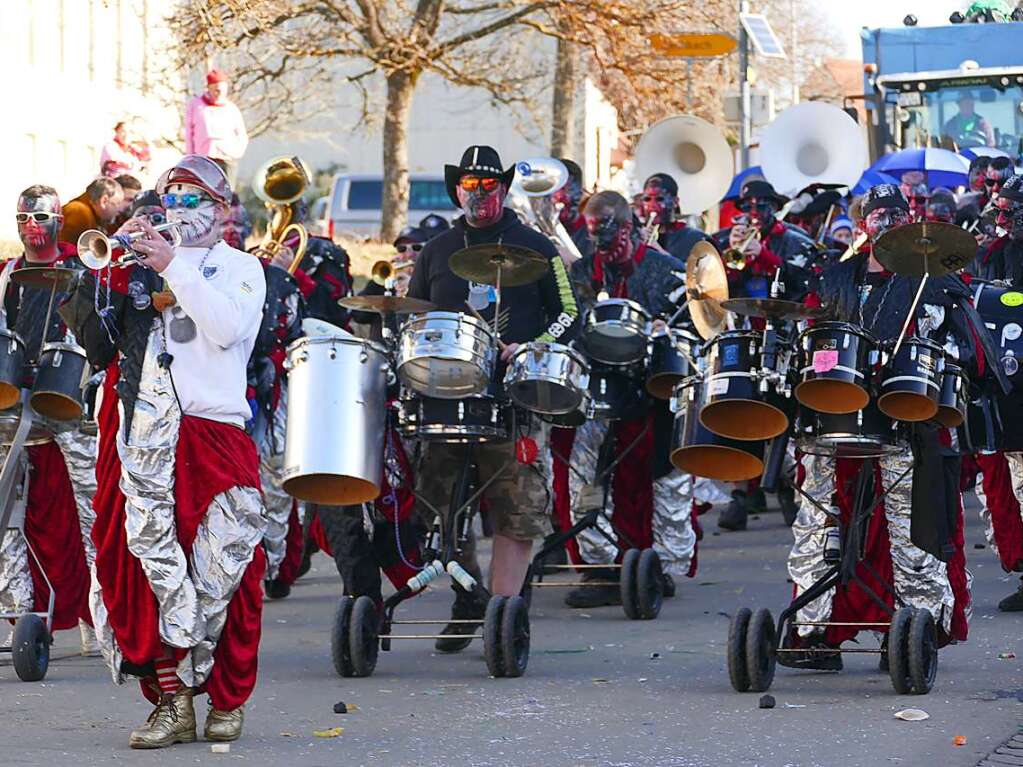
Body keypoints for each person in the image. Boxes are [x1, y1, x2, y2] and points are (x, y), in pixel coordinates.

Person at [60, 155, 267, 748]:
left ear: (223, 209)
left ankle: (228, 699)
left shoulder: (242, 268)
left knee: (226, 571)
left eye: (194, 196)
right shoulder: (138, 265)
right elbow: (98, 349)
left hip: (212, 431)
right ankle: (172, 701)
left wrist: (172, 264)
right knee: (140, 571)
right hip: (139, 431)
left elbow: (225, 329)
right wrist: (102, 277)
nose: (180, 207)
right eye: (171, 196)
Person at [787, 184, 977, 668]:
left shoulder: (937, 281)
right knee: (820, 525)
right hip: (835, 416)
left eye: (896, 214)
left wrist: (942, 356)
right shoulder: (834, 278)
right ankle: (816, 631)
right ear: (863, 222)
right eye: (878, 214)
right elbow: (808, 341)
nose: (888, 222)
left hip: (909, 420)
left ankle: (913, 634)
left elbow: (973, 353)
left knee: (911, 527)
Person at [405, 145, 580, 651]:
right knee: (442, 505)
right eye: (468, 186)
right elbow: (413, 314)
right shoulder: (436, 249)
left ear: (502, 189)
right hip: (446, 395)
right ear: (456, 189)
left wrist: (533, 346)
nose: (477, 195)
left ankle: (504, 616)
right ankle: (469, 598)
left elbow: (569, 311)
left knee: (515, 506)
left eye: (487, 186)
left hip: (514, 396)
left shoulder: (537, 246)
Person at [555, 190, 696, 607]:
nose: (602, 245)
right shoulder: (581, 271)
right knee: (581, 474)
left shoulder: (666, 271)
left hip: (647, 388)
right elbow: (567, 321)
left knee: (648, 476)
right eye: (594, 234)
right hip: (593, 387)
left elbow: (695, 326)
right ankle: (598, 568)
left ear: (630, 228)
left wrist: (663, 332)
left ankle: (653, 564)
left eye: (609, 234)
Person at [0, 185, 96, 656]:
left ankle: (98, 619)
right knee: (5, 514)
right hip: (11, 400)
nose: (31, 226)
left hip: (70, 401)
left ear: (59, 220)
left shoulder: (84, 269)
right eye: (22, 218)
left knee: (91, 513)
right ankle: (20, 618)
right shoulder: (5, 276)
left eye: (40, 217)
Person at [714, 179, 813, 530]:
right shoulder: (726, 241)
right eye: (749, 207)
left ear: (775, 208)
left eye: (762, 206)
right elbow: (712, 288)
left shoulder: (795, 241)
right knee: (739, 412)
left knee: (782, 414)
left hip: (785, 340)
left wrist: (768, 259)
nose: (754, 214)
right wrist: (732, 261)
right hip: (742, 336)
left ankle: (787, 487)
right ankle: (739, 494)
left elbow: (807, 282)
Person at [978, 174, 1023, 610]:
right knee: (1009, 482)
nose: (1001, 218)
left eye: (1011, 210)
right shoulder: (994, 254)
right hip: (1007, 379)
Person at [184, 69, 249, 187]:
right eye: (216, 89)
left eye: (222, 90)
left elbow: (242, 135)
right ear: (209, 88)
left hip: (226, 158)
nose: (218, 93)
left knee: (227, 194)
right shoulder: (196, 105)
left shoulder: (231, 108)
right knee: (206, 192)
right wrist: (191, 157)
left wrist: (236, 152)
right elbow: (189, 133)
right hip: (203, 158)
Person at [638, 172, 713, 263]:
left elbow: (690, 274)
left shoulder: (694, 238)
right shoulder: (636, 234)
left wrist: (658, 249)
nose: (652, 205)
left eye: (660, 199)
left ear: (675, 202)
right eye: (647, 199)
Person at [59, 176, 129, 244]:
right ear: (103, 201)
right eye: (117, 204)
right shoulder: (79, 211)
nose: (119, 210)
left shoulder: (92, 214)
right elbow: (68, 248)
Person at [553, 158, 592, 259]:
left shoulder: (592, 234)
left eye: (566, 190)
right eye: (554, 190)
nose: (558, 197)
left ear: (579, 194)